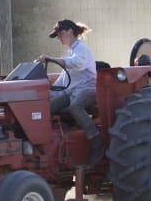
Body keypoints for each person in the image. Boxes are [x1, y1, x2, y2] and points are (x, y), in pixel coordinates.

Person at [40, 19, 105, 164]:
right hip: (72, 92)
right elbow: (64, 80)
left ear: (70, 31)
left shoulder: (81, 49)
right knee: (47, 108)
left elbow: (77, 64)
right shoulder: (72, 51)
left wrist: (52, 59)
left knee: (75, 106)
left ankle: (96, 140)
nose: (59, 38)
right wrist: (47, 94)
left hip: (88, 89)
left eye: (60, 34)